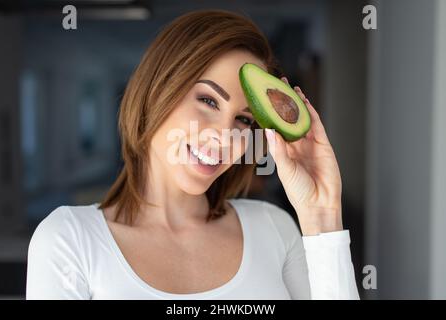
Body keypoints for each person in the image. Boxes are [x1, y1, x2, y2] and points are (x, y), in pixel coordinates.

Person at [26, 9, 360, 300]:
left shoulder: (274, 229)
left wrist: (321, 212)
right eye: (209, 100)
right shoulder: (68, 239)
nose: (223, 135)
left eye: (243, 119)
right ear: (157, 90)